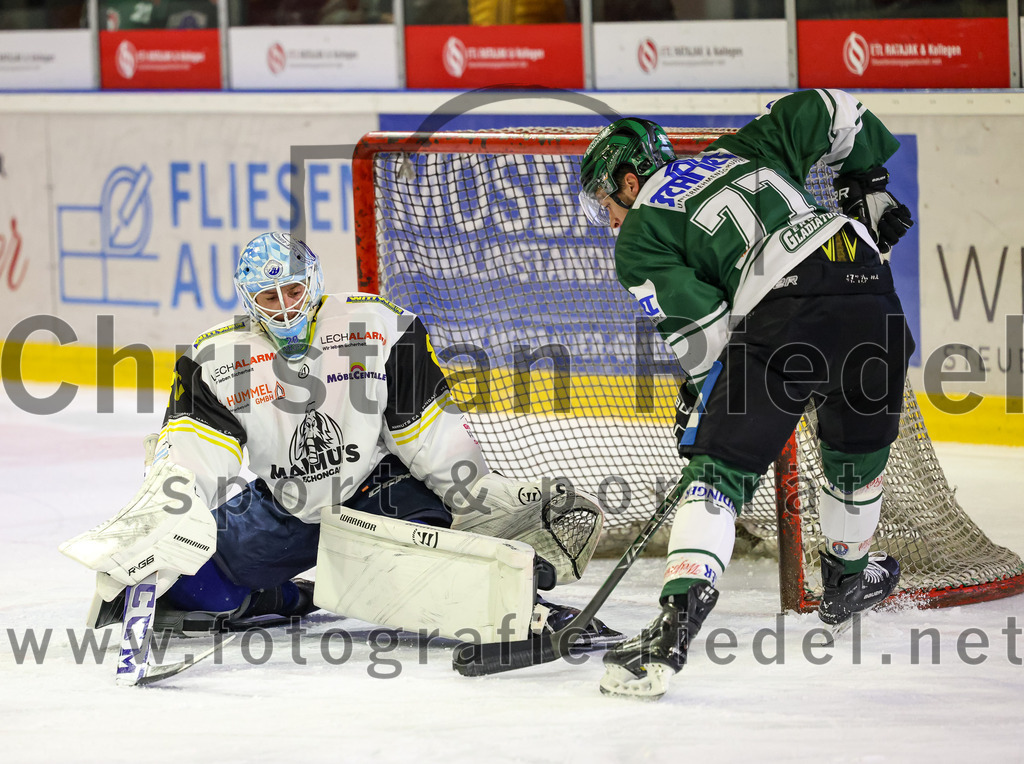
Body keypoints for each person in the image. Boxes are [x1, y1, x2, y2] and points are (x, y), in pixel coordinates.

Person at [62, 231, 614, 642]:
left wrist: (473, 497)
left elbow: (428, 435)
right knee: (194, 592)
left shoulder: (379, 327)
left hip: (379, 492)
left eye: (294, 289)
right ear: (247, 298)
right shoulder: (216, 361)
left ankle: (526, 607)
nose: (284, 306)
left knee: (422, 568)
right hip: (287, 508)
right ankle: (274, 596)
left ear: (315, 282)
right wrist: (158, 531)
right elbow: (189, 463)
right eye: (269, 296)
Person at [577, 88, 915, 699]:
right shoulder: (744, 148)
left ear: (629, 181)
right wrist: (868, 178)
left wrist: (705, 399)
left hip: (785, 313)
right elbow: (832, 107)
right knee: (856, 450)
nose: (610, 219)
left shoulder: (641, 233)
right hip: (873, 293)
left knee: (720, 473)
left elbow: (706, 339)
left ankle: (671, 628)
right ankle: (846, 580)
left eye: (607, 201)